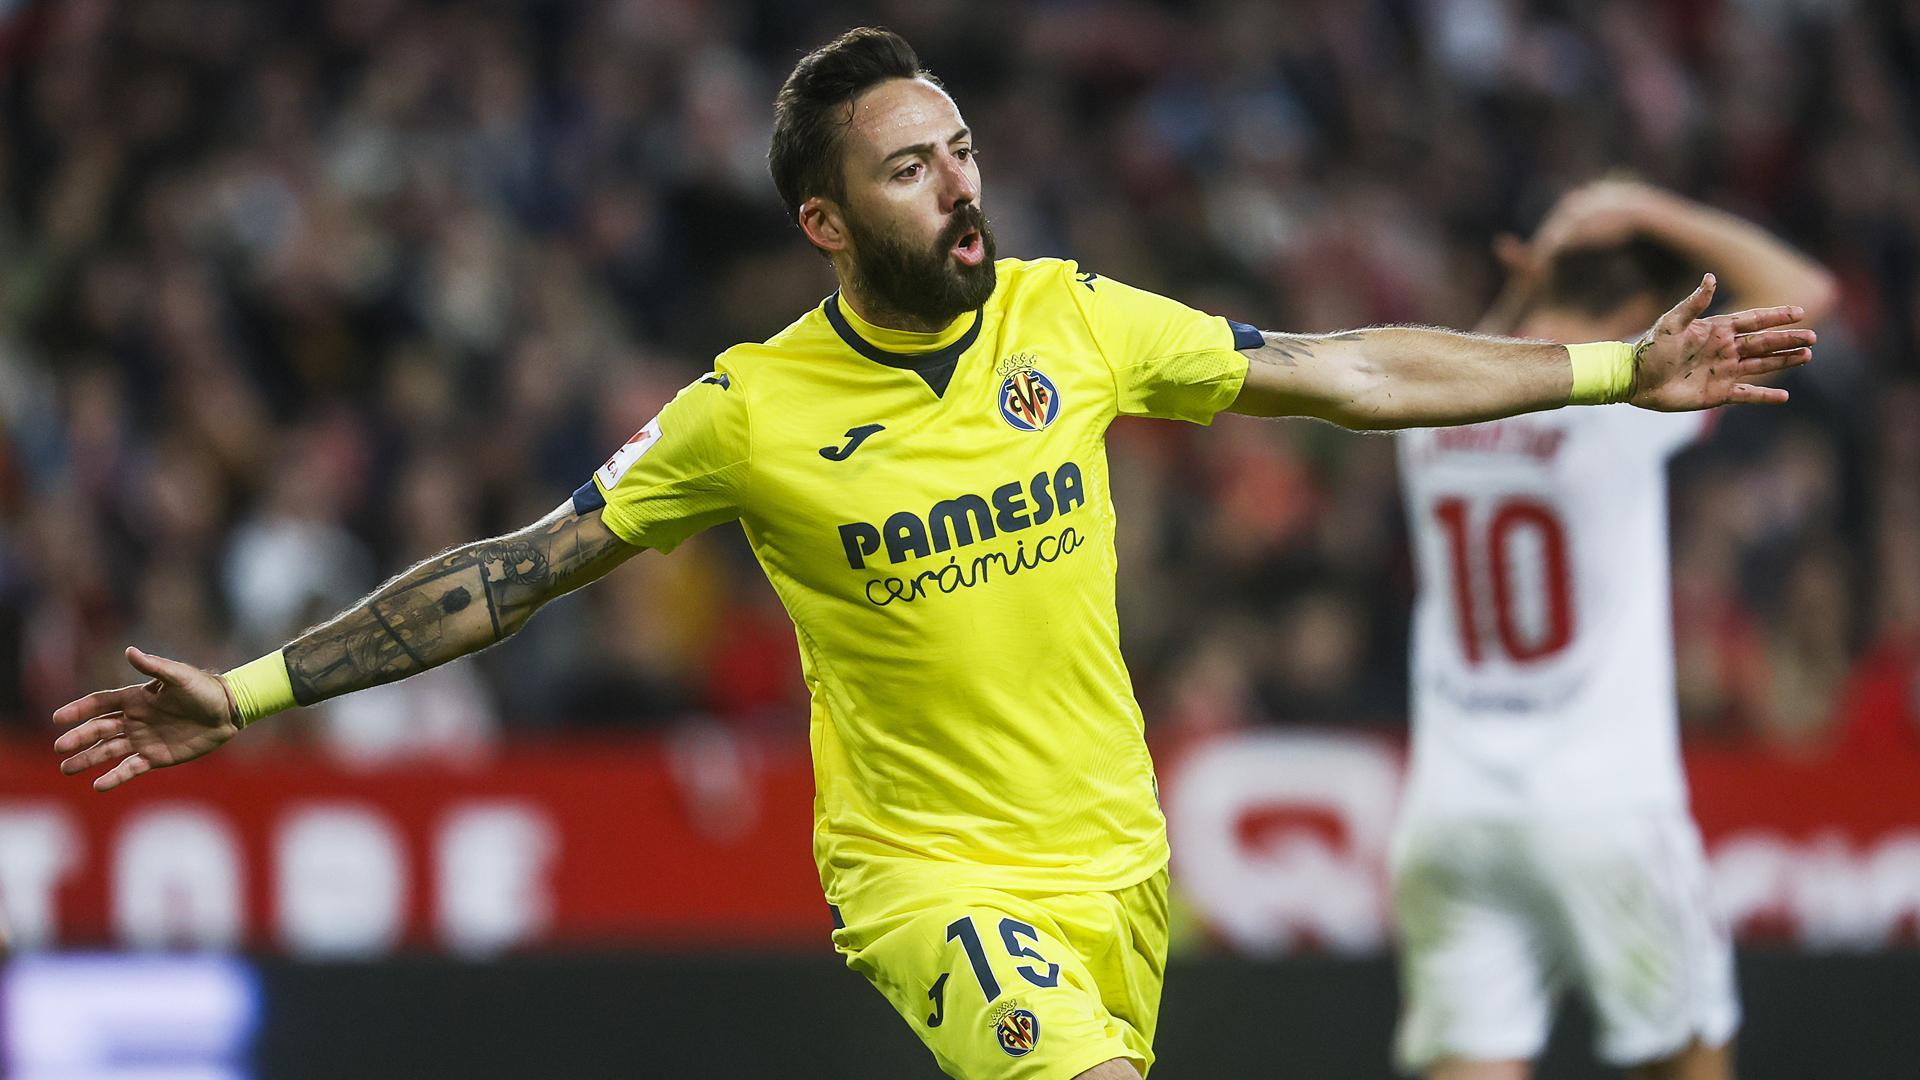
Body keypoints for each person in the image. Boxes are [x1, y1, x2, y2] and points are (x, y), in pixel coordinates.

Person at [52, 31, 1815, 1080]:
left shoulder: (1076, 318)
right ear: (825, 220)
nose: (961, 186)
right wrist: (258, 687)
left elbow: (1340, 367)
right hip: (930, 884)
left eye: (963, 149)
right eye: (911, 170)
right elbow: (515, 567)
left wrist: (1615, 371)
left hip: (1117, 866)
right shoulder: (745, 415)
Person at [1391, 178, 1838, 1080]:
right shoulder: (1625, 398)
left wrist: (1529, 284)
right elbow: (1810, 295)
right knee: (1686, 1059)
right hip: (1604, 804)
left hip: (1452, 805)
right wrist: (1646, 208)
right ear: (1642, 310)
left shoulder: (1428, 411)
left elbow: (1477, 350)